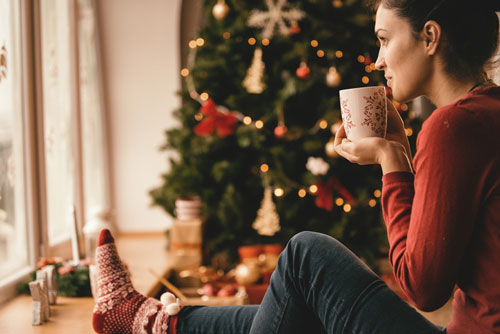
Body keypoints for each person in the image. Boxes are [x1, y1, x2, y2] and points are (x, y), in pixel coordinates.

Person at [91, 0, 500, 333]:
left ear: (429, 37)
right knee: (296, 305)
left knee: (305, 255)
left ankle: (147, 321)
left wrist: (392, 161)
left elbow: (424, 287)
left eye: (384, 40)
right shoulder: (485, 113)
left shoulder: (454, 126)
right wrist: (402, 152)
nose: (378, 61)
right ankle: (150, 319)